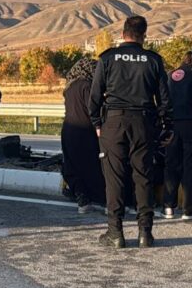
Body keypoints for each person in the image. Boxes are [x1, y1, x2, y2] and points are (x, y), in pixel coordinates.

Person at [88, 16, 172, 249]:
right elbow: (165, 99)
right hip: (144, 123)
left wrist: (97, 123)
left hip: (114, 122)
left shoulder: (107, 58)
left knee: (114, 178)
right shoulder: (153, 60)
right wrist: (162, 124)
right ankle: (145, 232)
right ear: (144, 35)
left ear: (123, 33)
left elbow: (94, 97)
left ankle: (115, 232)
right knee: (143, 177)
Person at [162, 47, 192, 221]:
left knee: (171, 165)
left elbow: (164, 101)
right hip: (191, 125)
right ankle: (190, 208)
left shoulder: (171, 74)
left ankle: (168, 206)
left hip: (172, 125)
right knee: (191, 167)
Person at [60, 57, 105, 213]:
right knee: (92, 165)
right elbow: (93, 110)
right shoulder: (89, 86)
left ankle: (82, 199)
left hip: (68, 130)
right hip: (86, 131)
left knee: (73, 165)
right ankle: (100, 198)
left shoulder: (69, 87)